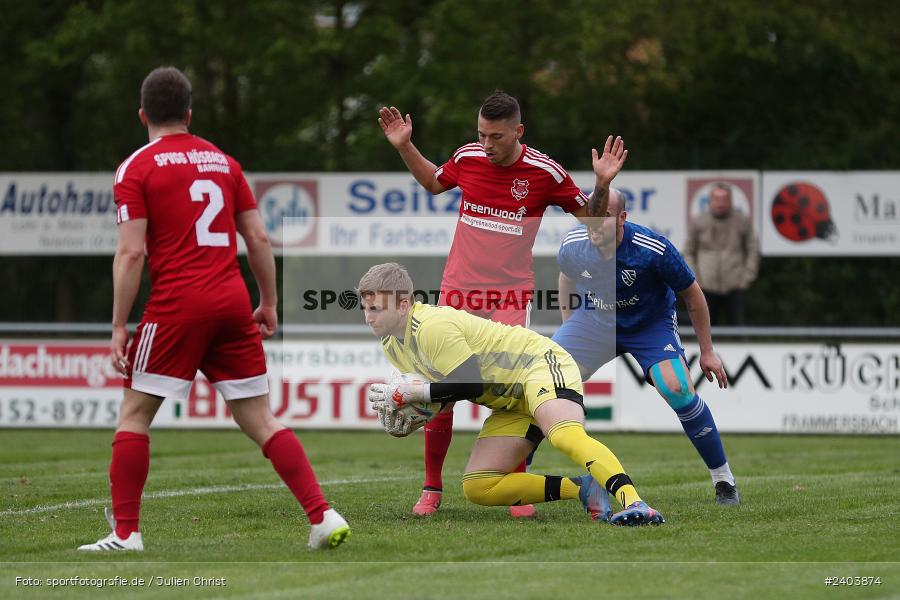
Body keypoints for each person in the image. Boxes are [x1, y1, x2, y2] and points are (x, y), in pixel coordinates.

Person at [78, 67, 349, 552]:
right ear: (189, 114)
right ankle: (322, 516)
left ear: (142, 115)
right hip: (231, 302)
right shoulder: (224, 163)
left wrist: (119, 325)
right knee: (262, 420)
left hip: (177, 306)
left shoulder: (135, 168)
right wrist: (268, 302)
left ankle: (125, 534)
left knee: (134, 416)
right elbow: (258, 238)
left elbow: (131, 253)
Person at [378, 91, 626, 517]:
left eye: (495, 137)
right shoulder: (468, 157)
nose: (486, 145)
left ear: (518, 131)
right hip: (458, 293)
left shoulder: (545, 172)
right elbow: (434, 183)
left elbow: (592, 219)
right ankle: (431, 487)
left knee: (512, 389)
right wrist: (405, 146)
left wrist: (601, 185)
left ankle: (515, 487)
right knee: (441, 391)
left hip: (509, 298)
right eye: (481, 135)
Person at [359, 263, 664, 526]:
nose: (368, 317)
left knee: (563, 434)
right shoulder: (391, 344)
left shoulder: (430, 327)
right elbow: (445, 393)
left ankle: (635, 503)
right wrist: (413, 410)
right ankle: (582, 489)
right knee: (479, 486)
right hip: (510, 400)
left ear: (404, 305)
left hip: (538, 364)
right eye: (365, 309)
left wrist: (416, 393)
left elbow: (471, 385)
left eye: (376, 309)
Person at [553, 188, 739, 505]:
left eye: (605, 216)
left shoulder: (652, 248)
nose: (594, 223)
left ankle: (724, 481)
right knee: (544, 381)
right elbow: (566, 278)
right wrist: (569, 324)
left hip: (650, 325)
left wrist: (707, 351)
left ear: (622, 218)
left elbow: (692, 294)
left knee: (678, 389)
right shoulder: (573, 246)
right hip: (594, 322)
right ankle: (518, 476)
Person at [683, 183, 760, 326]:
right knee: (704, 329)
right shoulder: (698, 221)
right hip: (705, 286)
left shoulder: (742, 221)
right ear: (710, 200)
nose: (721, 203)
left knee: (739, 330)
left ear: (730, 201)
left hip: (735, 286)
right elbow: (688, 251)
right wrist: (695, 279)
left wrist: (746, 278)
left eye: (724, 199)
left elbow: (753, 249)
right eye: (717, 199)